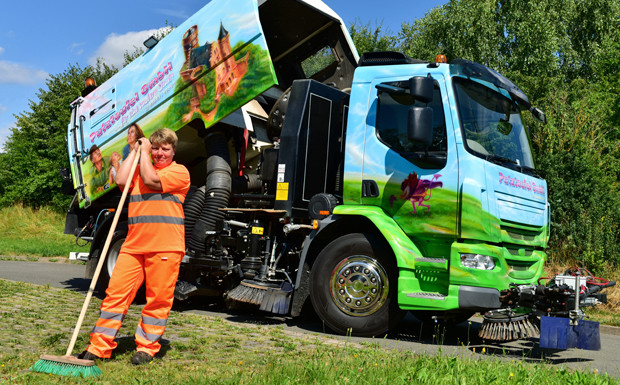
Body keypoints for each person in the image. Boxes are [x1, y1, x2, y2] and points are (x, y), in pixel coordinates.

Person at [79, 128, 190, 365]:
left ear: (174, 151)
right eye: (156, 148)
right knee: (115, 296)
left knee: (157, 299)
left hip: (165, 247)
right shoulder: (138, 171)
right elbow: (120, 180)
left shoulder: (179, 172)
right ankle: (99, 347)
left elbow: (151, 180)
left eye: (165, 149)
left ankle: (147, 348)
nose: (159, 153)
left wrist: (146, 153)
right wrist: (136, 149)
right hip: (133, 246)